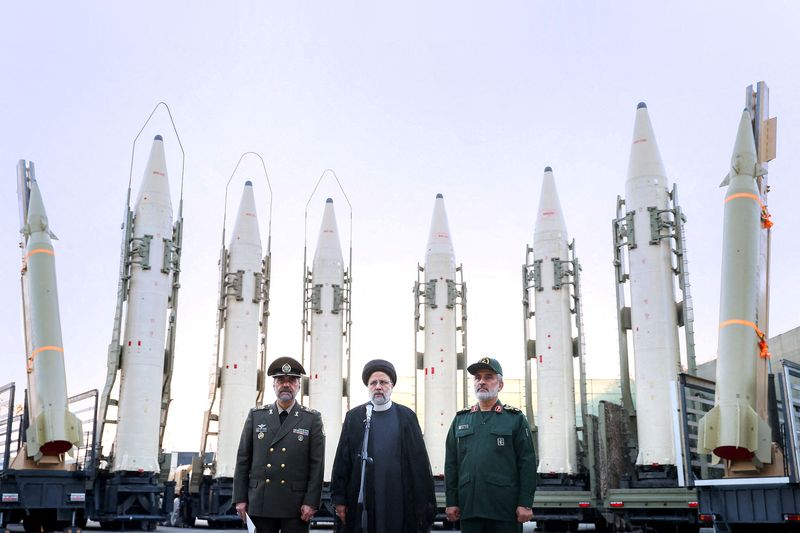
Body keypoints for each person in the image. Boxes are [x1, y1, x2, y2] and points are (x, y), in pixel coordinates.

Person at [330, 359, 436, 532]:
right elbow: (343, 461)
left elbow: (420, 464)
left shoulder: (406, 416)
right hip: (365, 495)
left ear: (392, 385)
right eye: (373, 383)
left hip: (399, 496)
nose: (378, 387)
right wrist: (339, 499)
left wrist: (423, 504)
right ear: (368, 387)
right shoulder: (355, 417)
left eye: (383, 382)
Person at [233, 356, 325, 533]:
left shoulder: (311, 419)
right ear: (273, 385)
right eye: (280, 380)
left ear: (299, 386)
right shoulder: (257, 415)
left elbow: (317, 465)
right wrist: (240, 498)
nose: (286, 384)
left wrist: (311, 502)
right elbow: (243, 459)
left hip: (296, 505)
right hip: (261, 501)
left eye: (291, 380)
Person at [444, 357, 537, 532]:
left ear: (500, 385)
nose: (482, 382)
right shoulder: (460, 419)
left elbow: (527, 463)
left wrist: (525, 503)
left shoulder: (514, 419)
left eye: (488, 377)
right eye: (477, 378)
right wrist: (451, 501)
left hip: (504, 510)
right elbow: (451, 464)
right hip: (469, 508)